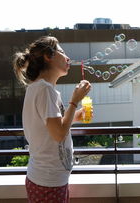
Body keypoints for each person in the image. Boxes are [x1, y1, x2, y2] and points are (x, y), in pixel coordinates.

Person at [13, 35, 91, 203]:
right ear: (48, 56)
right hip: (48, 183)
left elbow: (52, 127)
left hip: (50, 180)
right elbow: (58, 134)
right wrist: (74, 101)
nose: (68, 57)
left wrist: (75, 116)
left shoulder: (41, 89)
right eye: (62, 52)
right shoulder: (44, 90)